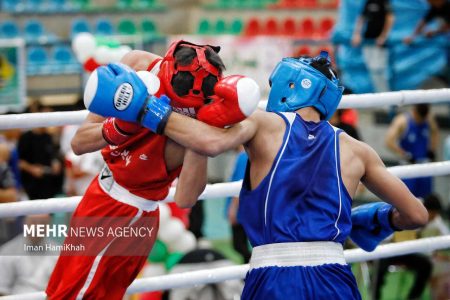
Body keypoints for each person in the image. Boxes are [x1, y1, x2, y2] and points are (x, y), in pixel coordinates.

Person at [86, 51, 428, 299]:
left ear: (291, 83)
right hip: (336, 277)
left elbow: (207, 142)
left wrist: (146, 109)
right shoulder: (358, 150)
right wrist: (374, 220)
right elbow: (416, 214)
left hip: (275, 278)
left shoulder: (264, 123)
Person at [46, 40, 259, 299]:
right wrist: (119, 127)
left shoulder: (201, 119)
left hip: (131, 213)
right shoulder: (137, 64)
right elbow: (79, 143)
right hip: (100, 196)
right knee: (70, 290)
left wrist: (201, 128)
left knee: (76, 294)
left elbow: (185, 198)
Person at [385, 103, 439, 198]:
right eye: (420, 118)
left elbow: (435, 131)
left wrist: (432, 149)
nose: (422, 120)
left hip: (425, 168)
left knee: (425, 201)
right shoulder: (402, 121)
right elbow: (389, 141)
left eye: (424, 118)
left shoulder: (428, 119)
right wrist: (405, 154)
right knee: (407, 201)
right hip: (408, 168)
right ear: (414, 111)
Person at [0, 214, 58, 296]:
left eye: (42, 223)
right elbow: (2, 289)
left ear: (49, 225)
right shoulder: (7, 251)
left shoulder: (59, 251)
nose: (38, 227)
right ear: (24, 223)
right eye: (34, 222)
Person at [351, 0, 395, 92]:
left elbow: (390, 18)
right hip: (368, 41)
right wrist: (357, 34)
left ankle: (387, 99)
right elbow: (362, 18)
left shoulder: (384, 2)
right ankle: (381, 98)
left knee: (379, 71)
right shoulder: (368, 2)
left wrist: (383, 36)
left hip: (379, 43)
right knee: (372, 71)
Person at [226, 145, 251, 263]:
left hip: (242, 210)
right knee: (241, 245)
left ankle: (249, 272)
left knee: (239, 245)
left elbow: (240, 184)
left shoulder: (243, 157)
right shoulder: (244, 156)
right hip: (245, 209)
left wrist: (233, 209)